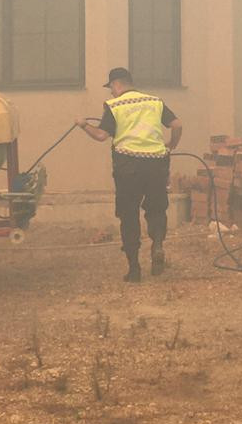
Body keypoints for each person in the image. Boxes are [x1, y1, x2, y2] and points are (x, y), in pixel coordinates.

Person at [77, 67, 182, 282]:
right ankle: (158, 246)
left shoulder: (114, 106)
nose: (112, 93)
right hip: (156, 164)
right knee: (156, 209)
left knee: (128, 214)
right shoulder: (155, 101)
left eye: (111, 89)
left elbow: (100, 135)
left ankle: (134, 269)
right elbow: (177, 124)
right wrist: (171, 145)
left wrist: (83, 125)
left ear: (116, 84)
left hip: (128, 166)